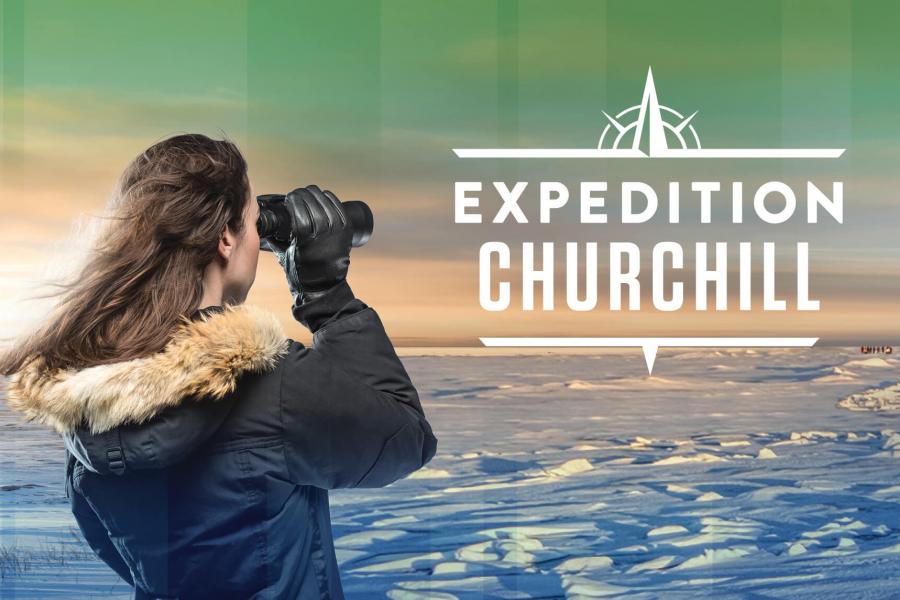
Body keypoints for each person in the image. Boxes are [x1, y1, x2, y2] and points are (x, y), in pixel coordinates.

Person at [1, 133, 438, 599]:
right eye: (254, 221)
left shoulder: (89, 393)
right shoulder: (267, 383)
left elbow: (110, 544)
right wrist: (326, 296)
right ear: (226, 238)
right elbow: (406, 438)